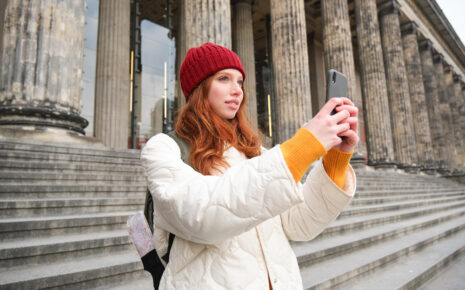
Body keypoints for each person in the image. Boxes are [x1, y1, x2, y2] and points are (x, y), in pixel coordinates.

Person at [141, 42, 358, 289]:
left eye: (240, 82)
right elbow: (200, 214)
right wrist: (303, 146)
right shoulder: (164, 148)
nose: (237, 90)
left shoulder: (255, 152)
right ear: (199, 88)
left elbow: (300, 224)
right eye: (224, 79)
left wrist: (335, 160)